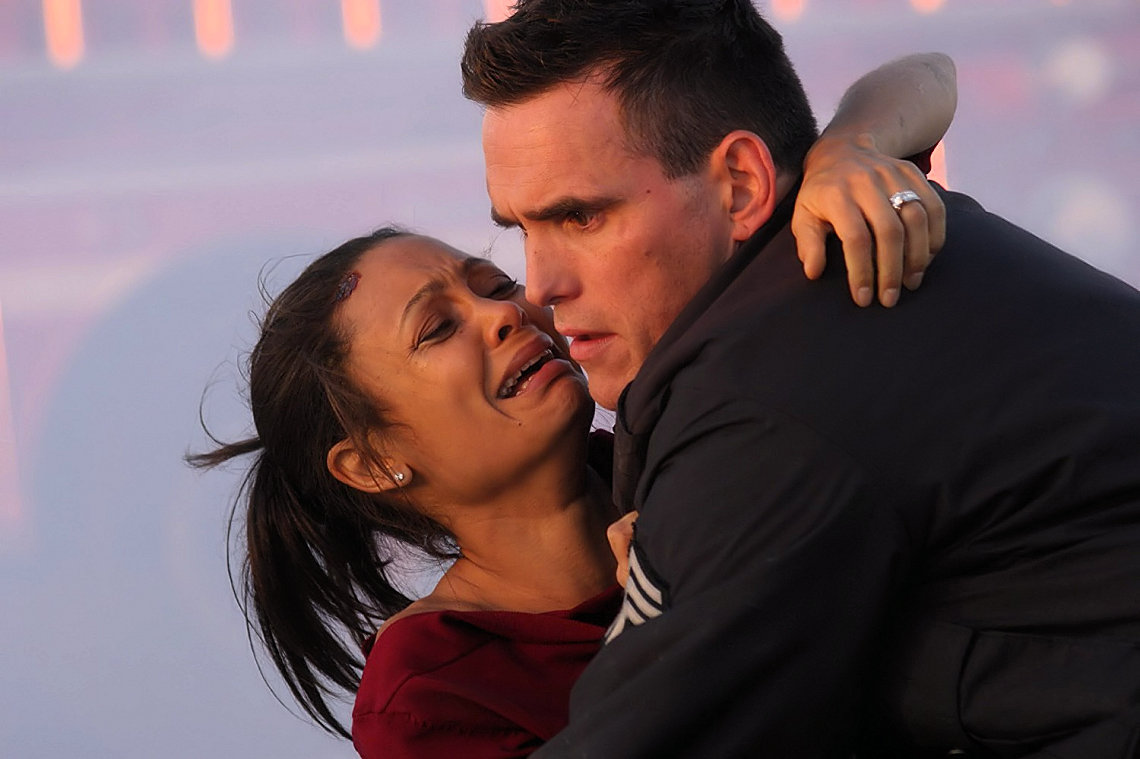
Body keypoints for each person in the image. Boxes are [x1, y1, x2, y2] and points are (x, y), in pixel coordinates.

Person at [190, 44, 959, 759]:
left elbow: (926, 75)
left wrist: (845, 147)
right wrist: (668, 635)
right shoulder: (426, 695)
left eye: (493, 283)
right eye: (437, 328)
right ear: (371, 460)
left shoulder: (693, 447)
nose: (507, 312)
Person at [463, 1, 1140, 757]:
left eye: (581, 218)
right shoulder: (847, 226)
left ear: (741, 184)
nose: (540, 286)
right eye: (522, 228)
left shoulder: (766, 398)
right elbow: (921, 74)